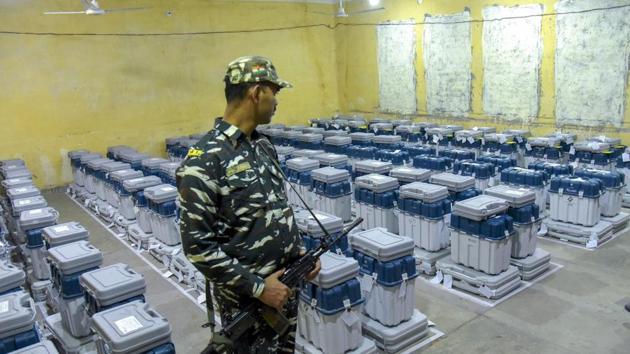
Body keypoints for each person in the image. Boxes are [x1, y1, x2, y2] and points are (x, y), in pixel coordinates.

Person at [177, 56, 320, 354]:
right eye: (274, 92)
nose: (277, 101)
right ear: (256, 93)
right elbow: (198, 248)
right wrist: (259, 288)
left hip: (286, 290)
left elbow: (276, 209)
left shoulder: (264, 146)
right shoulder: (203, 160)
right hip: (248, 303)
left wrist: (301, 255)